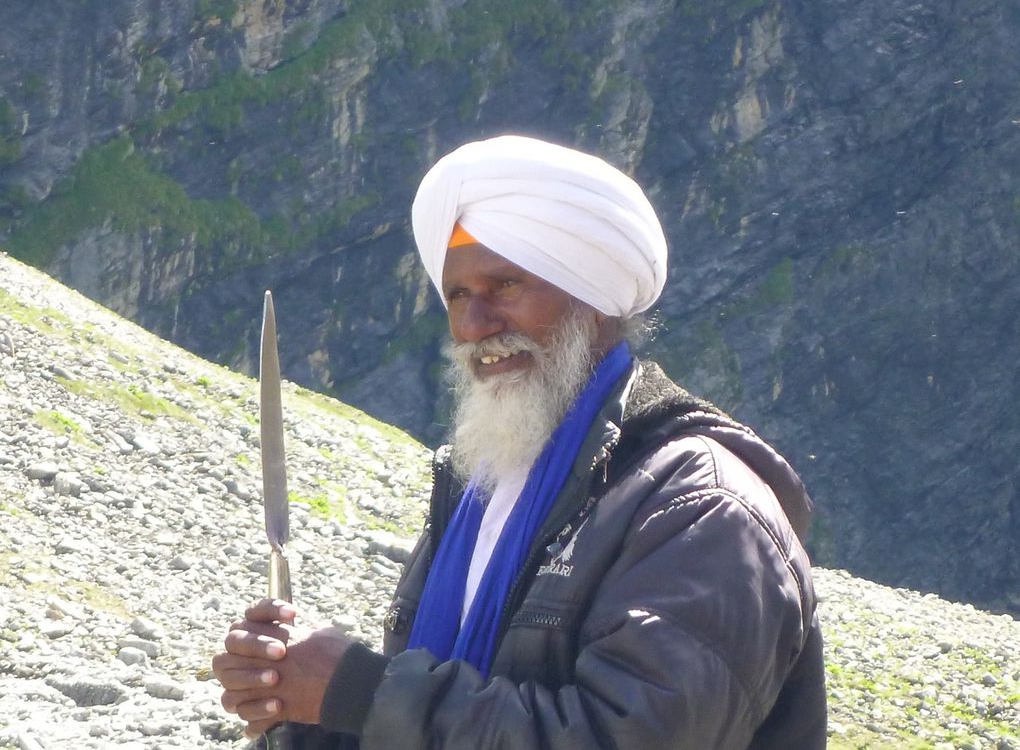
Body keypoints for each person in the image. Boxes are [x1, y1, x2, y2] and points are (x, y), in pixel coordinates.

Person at [212, 135, 827, 749]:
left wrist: (360, 691)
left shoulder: (704, 508)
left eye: (506, 285)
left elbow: (631, 736)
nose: (475, 325)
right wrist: (301, 711)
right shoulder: (481, 489)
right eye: (457, 295)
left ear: (595, 300)